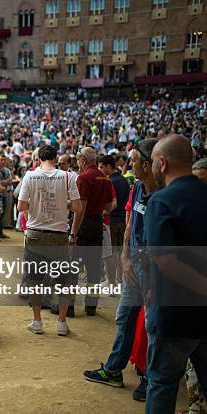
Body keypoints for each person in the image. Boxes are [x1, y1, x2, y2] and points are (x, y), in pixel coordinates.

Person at [83, 138, 159, 402]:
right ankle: (114, 370)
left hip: (155, 270)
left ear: (148, 165)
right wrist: (126, 258)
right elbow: (130, 225)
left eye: (135, 161)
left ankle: (150, 379)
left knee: (151, 325)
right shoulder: (137, 186)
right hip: (133, 265)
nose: (129, 165)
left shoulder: (164, 193)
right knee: (124, 318)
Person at [145, 134, 207, 413]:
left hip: (176, 313)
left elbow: (166, 262)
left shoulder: (162, 200)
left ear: (162, 163)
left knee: (162, 383)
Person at [17, 145, 81, 336]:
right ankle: (61, 322)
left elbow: (21, 206)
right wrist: (63, 203)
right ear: (55, 157)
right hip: (59, 234)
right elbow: (77, 207)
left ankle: (37, 321)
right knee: (63, 280)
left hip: (35, 233)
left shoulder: (29, 176)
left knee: (35, 279)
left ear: (39, 158)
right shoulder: (68, 176)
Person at [72, 146, 115, 316]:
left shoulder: (83, 177)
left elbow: (80, 209)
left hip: (84, 223)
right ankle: (91, 305)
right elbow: (109, 205)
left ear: (83, 160)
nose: (77, 163)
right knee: (93, 266)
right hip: (97, 222)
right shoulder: (104, 177)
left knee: (73, 265)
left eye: (77, 160)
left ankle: (68, 306)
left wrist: (73, 232)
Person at [99, 155, 130, 285]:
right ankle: (119, 278)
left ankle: (112, 280)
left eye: (101, 166)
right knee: (120, 251)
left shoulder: (109, 182)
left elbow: (109, 203)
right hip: (123, 219)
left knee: (111, 253)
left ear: (108, 166)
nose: (100, 169)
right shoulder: (123, 179)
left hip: (112, 220)